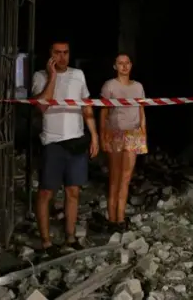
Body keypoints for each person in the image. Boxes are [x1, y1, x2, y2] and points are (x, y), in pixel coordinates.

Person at [32, 39, 99, 256]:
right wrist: (52, 77)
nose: (62, 57)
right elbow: (42, 106)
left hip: (76, 141)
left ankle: (70, 236)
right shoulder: (40, 77)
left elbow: (86, 107)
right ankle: (46, 242)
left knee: (73, 191)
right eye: (57, 53)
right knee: (46, 192)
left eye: (66, 52)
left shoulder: (78, 75)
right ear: (50, 54)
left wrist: (95, 136)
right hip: (52, 143)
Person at [99, 54, 148, 231]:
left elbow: (141, 110)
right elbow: (104, 112)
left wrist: (143, 131)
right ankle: (111, 218)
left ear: (131, 65)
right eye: (120, 63)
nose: (124, 66)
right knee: (115, 177)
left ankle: (120, 218)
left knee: (126, 178)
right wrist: (103, 136)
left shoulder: (138, 87)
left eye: (127, 63)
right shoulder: (110, 86)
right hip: (115, 133)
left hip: (133, 133)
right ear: (115, 66)